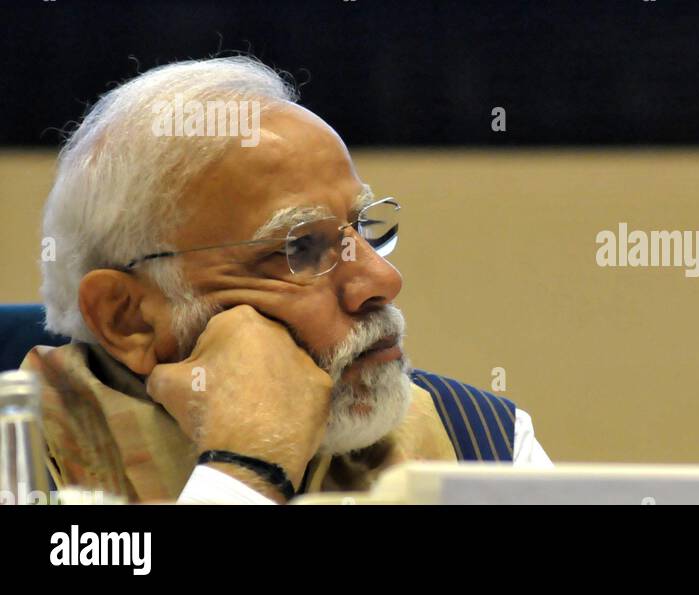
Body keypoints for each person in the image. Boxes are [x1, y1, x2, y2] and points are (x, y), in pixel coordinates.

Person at [23, 56, 550, 504]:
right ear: (128, 317)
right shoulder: (20, 463)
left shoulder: (481, 441)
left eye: (364, 226)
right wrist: (245, 466)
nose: (382, 279)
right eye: (299, 247)